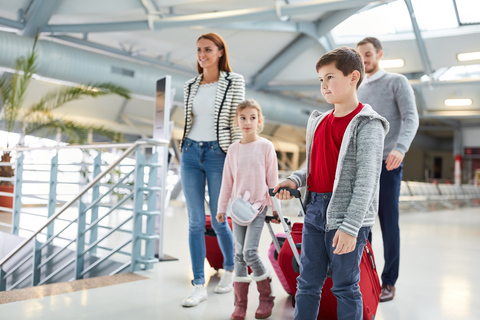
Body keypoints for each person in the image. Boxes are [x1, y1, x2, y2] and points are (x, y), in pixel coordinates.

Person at [274, 47, 389, 320]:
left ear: (353, 77)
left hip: (348, 217)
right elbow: (314, 167)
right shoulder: (320, 121)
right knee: (307, 283)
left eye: (330, 77)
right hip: (314, 211)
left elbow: (367, 180)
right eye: (320, 80)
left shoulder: (368, 124)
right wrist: (294, 179)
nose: (324, 85)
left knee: (345, 287)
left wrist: (350, 228)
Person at [180, 32, 245, 307]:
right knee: (195, 222)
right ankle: (198, 284)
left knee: (219, 219)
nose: (202, 54)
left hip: (219, 153)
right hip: (190, 153)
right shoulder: (190, 85)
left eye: (207, 49)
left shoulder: (234, 81)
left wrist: (236, 156)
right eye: (198, 50)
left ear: (220, 52)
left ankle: (231, 269)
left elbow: (236, 120)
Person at [357, 37, 419, 302]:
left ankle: (389, 282)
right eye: (360, 56)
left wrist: (400, 148)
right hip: (362, 164)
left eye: (368, 54)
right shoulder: (356, 87)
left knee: (388, 223)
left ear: (379, 54)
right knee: (362, 224)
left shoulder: (396, 82)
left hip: (388, 162)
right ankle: (364, 277)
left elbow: (411, 117)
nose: (364, 60)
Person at [217, 99, 279, 320]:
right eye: (243, 118)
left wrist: (275, 209)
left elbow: (272, 180)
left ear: (259, 121)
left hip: (259, 207)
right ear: (236, 121)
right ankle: (240, 305)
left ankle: (265, 297)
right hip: (237, 208)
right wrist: (222, 207)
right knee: (238, 255)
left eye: (252, 118)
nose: (247, 122)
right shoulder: (233, 150)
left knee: (249, 252)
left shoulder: (266, 146)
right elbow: (227, 181)